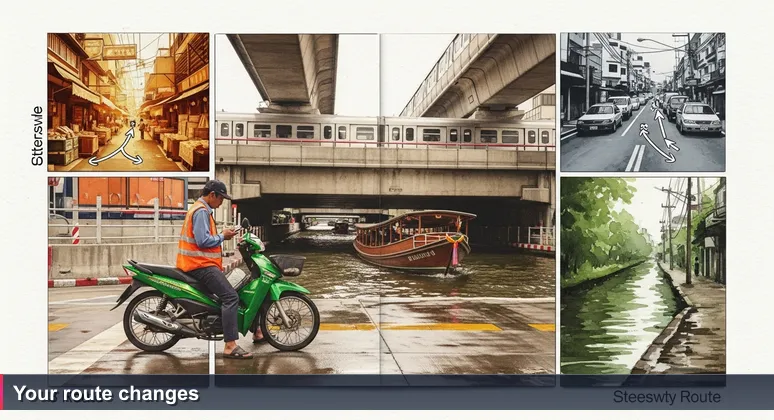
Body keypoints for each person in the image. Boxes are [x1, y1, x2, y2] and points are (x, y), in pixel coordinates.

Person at [176, 180, 263, 359]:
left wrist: (222, 234)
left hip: (199, 263)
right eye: (221, 198)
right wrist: (223, 236)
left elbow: (205, 236)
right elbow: (203, 241)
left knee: (233, 290)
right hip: (200, 265)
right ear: (212, 195)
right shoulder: (201, 212)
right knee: (231, 297)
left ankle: (258, 331)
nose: (222, 202)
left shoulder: (201, 209)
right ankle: (230, 345)